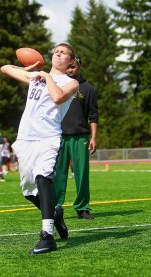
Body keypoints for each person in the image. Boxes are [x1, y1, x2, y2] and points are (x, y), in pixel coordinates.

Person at [0, 43, 79, 255]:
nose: (58, 54)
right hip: (25, 138)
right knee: (28, 190)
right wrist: (27, 70)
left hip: (48, 138)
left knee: (43, 177)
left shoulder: (71, 83)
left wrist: (47, 77)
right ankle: (55, 213)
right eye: (56, 51)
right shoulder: (36, 77)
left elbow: (57, 97)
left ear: (71, 61)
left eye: (63, 53)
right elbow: (5, 68)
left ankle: (47, 235)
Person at [53, 57, 98, 219]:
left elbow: (93, 115)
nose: (70, 70)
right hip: (59, 136)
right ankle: (55, 206)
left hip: (81, 137)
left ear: (79, 66)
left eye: (73, 67)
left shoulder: (88, 89)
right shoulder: (58, 86)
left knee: (82, 174)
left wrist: (93, 137)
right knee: (58, 174)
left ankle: (82, 207)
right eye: (68, 67)